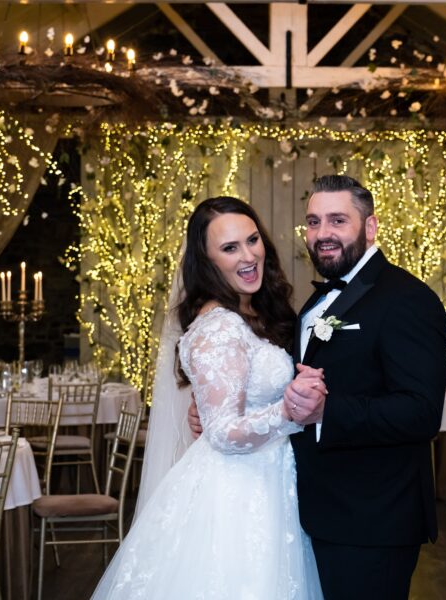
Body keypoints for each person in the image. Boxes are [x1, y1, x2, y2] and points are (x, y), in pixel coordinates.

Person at [190, 175, 446, 600]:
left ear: (370, 227)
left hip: (372, 521)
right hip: (309, 513)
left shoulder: (407, 298)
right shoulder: (312, 304)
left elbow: (421, 412)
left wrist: (329, 412)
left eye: (337, 220)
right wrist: (219, 408)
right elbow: (294, 387)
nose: (322, 234)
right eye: (313, 222)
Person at [91, 196, 325, 599]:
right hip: (235, 493)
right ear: (208, 261)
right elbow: (223, 432)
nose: (249, 256)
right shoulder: (219, 327)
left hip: (268, 481)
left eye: (252, 240)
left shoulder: (256, 313)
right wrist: (290, 412)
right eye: (230, 248)